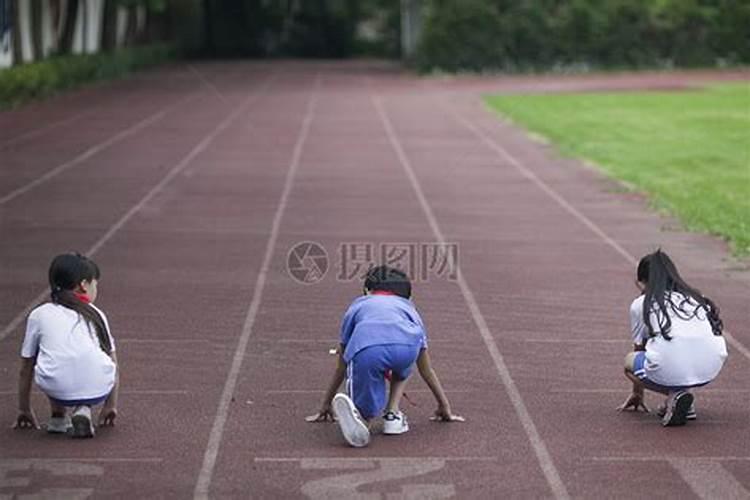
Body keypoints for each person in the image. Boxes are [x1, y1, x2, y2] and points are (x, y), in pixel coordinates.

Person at [307, 265, 463, 447]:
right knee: (404, 366)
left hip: (368, 347)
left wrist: (326, 403)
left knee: (360, 369)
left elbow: (342, 363)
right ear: (408, 296)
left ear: (367, 290)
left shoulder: (359, 305)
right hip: (406, 349)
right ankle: (392, 414)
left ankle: (364, 418)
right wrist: (444, 407)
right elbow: (426, 369)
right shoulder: (410, 310)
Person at [14, 253, 119, 438]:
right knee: (86, 357)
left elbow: (26, 368)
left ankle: (58, 416)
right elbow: (113, 362)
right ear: (84, 285)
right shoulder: (97, 314)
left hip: (56, 385)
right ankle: (84, 410)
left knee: (50, 353)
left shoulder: (39, 314)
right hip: (98, 386)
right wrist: (111, 406)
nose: (96, 288)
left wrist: (24, 408)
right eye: (95, 283)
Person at [617, 249, 727, 426]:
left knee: (630, 362)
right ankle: (681, 400)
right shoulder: (697, 298)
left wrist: (638, 393)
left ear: (642, 281)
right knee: (680, 357)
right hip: (710, 368)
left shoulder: (641, 304)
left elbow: (639, 347)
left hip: (673, 366)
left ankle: (674, 396)